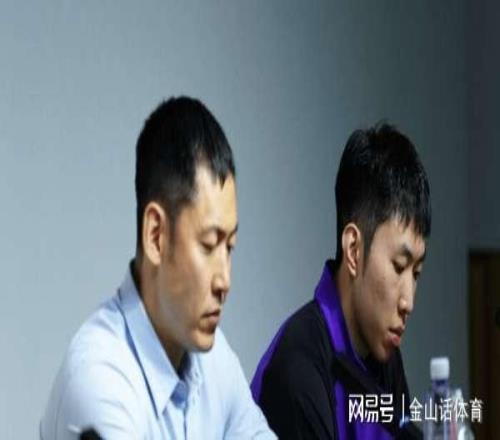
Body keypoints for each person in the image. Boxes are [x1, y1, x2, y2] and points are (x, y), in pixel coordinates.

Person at [41, 96, 276, 439]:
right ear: (156, 235)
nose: (225, 280)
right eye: (209, 245)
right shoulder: (99, 380)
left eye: (230, 247)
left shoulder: (216, 360)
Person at [251, 123, 431, 439]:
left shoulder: (384, 354)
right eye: (399, 266)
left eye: (415, 274)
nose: (408, 302)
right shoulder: (297, 369)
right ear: (354, 250)